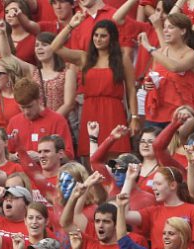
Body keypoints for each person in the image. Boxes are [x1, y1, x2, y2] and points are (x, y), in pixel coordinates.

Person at [50, 16, 139, 157]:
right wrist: (70, 26)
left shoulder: (122, 58)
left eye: (103, 36)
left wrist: (134, 117)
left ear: (112, 38)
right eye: (96, 35)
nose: (98, 39)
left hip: (113, 112)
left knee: (115, 158)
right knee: (93, 156)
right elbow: (55, 47)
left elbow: (131, 89)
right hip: (90, 111)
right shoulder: (84, 58)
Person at [138, 13, 194, 127]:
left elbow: (174, 67)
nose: (165, 31)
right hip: (156, 114)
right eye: (164, 27)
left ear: (183, 31)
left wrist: (148, 46)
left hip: (181, 114)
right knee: (153, 144)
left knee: (187, 145)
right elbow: (153, 77)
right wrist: (147, 85)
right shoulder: (159, 53)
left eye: (170, 28)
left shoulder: (192, 54)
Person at [5, 78, 74, 159]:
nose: (26, 112)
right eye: (22, 108)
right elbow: (6, 155)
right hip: (21, 170)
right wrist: (17, 156)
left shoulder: (57, 121)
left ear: (39, 100)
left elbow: (68, 156)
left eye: (30, 106)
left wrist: (40, 157)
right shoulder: (14, 122)